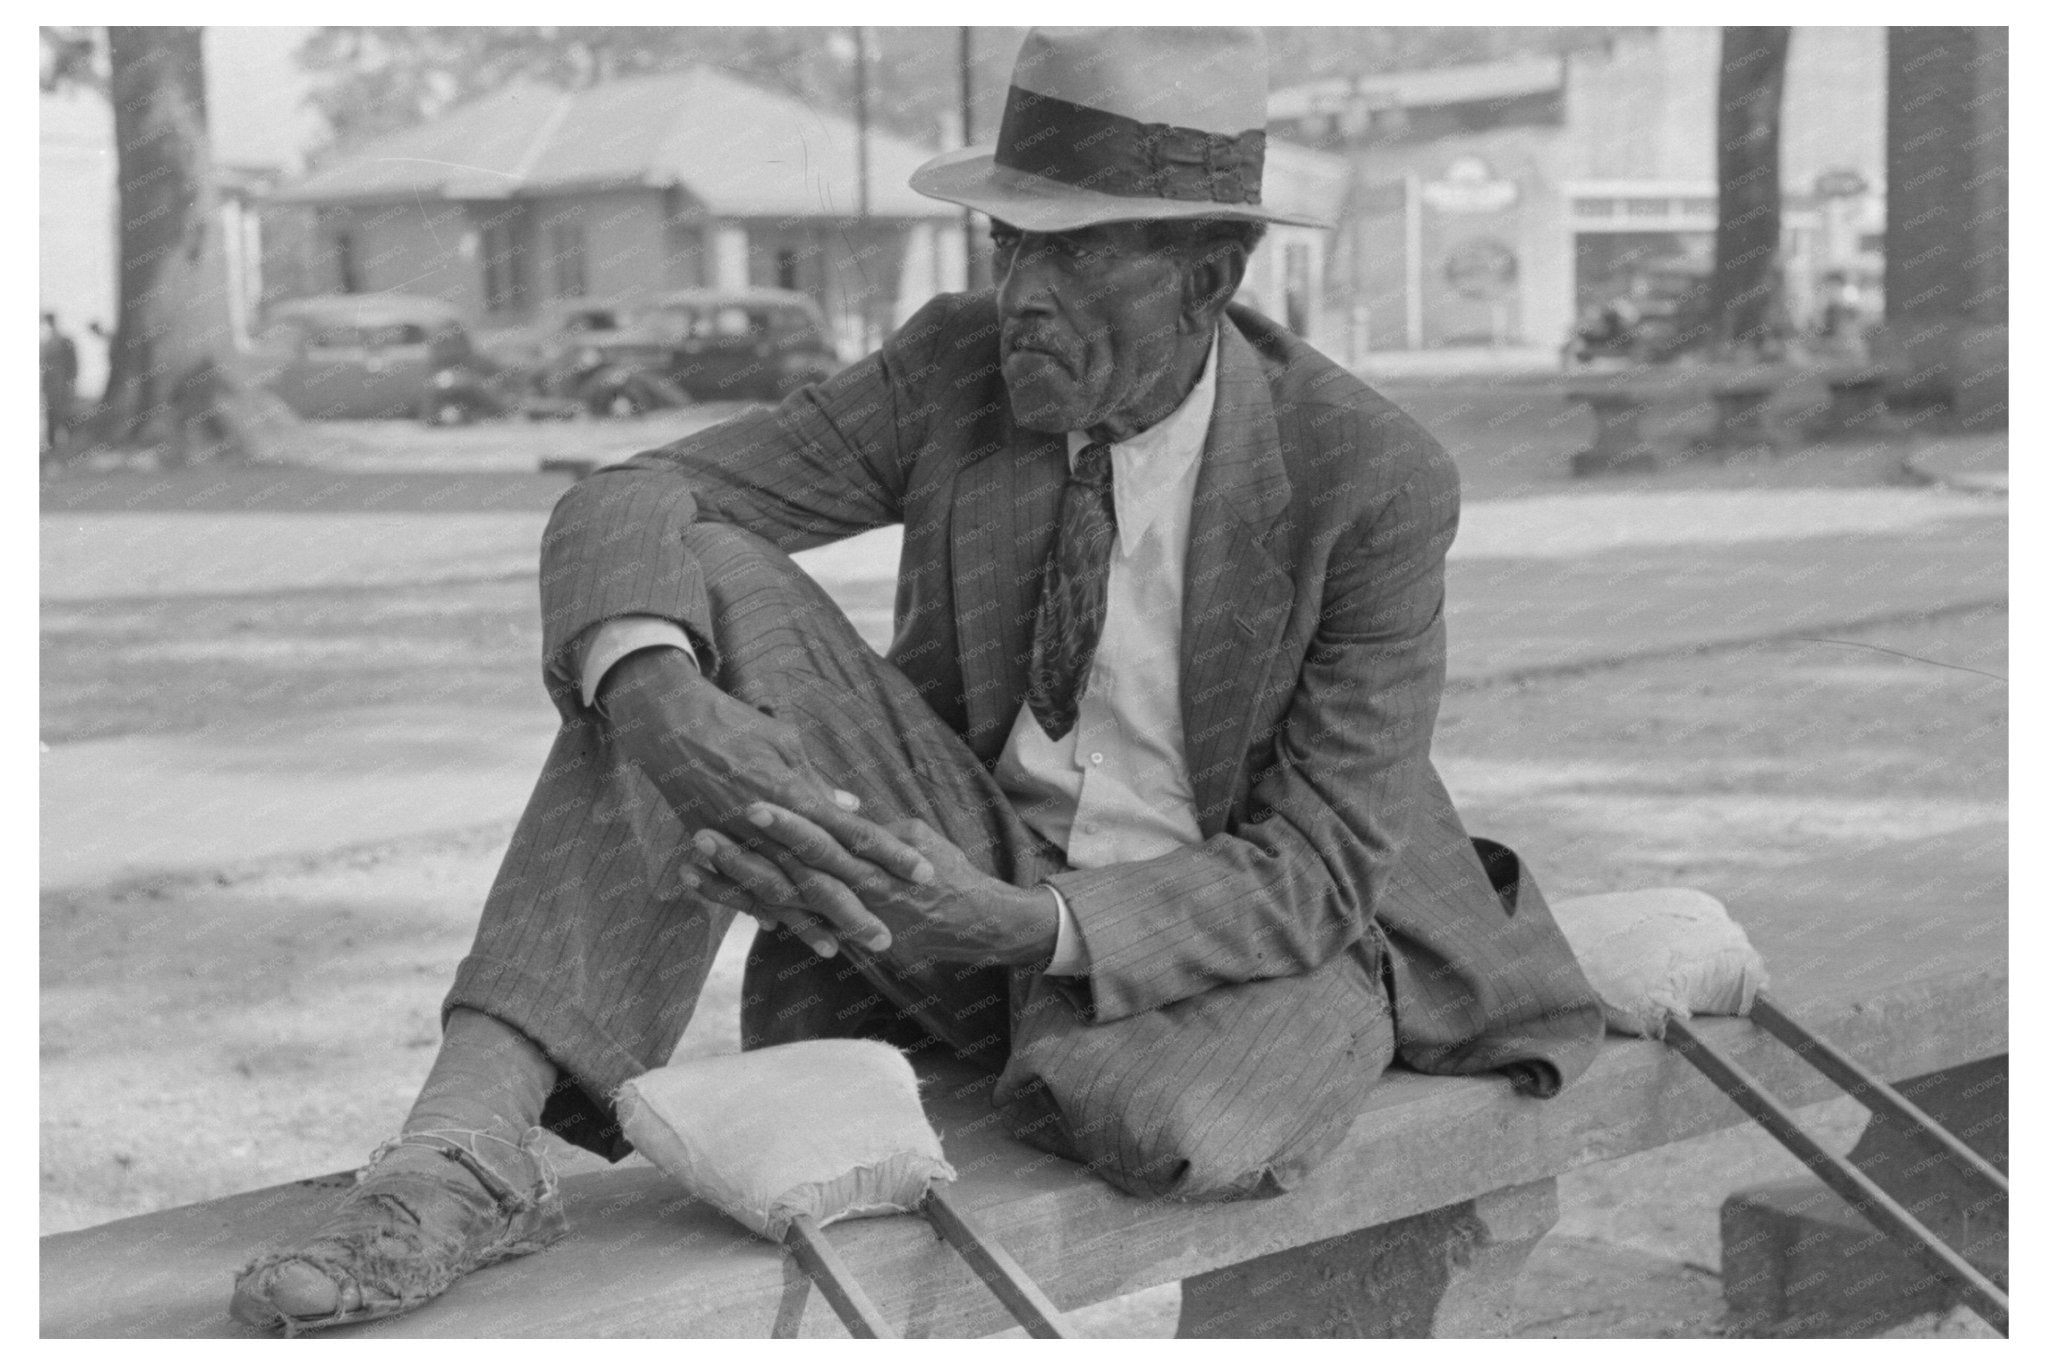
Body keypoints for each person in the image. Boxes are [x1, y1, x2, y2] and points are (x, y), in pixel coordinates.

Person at [231, 27, 1605, 1334]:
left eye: (1079, 257)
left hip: (1227, 907)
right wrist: (658, 699)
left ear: (1212, 273)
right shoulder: (957, 363)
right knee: (676, 585)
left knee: (1165, 1120)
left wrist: (1014, 927)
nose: (1023, 299)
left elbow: (1317, 865)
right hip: (949, 860)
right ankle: (465, 1149)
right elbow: (636, 491)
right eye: (1012, 245)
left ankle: (1042, 1026)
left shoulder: (1367, 475)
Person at [40, 311, 80, 462]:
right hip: (51, 386)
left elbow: (73, 364)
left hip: (63, 385)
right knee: (51, 416)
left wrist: (71, 382)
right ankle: (53, 448)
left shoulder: (64, 341)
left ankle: (70, 445)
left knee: (66, 414)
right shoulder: (46, 342)